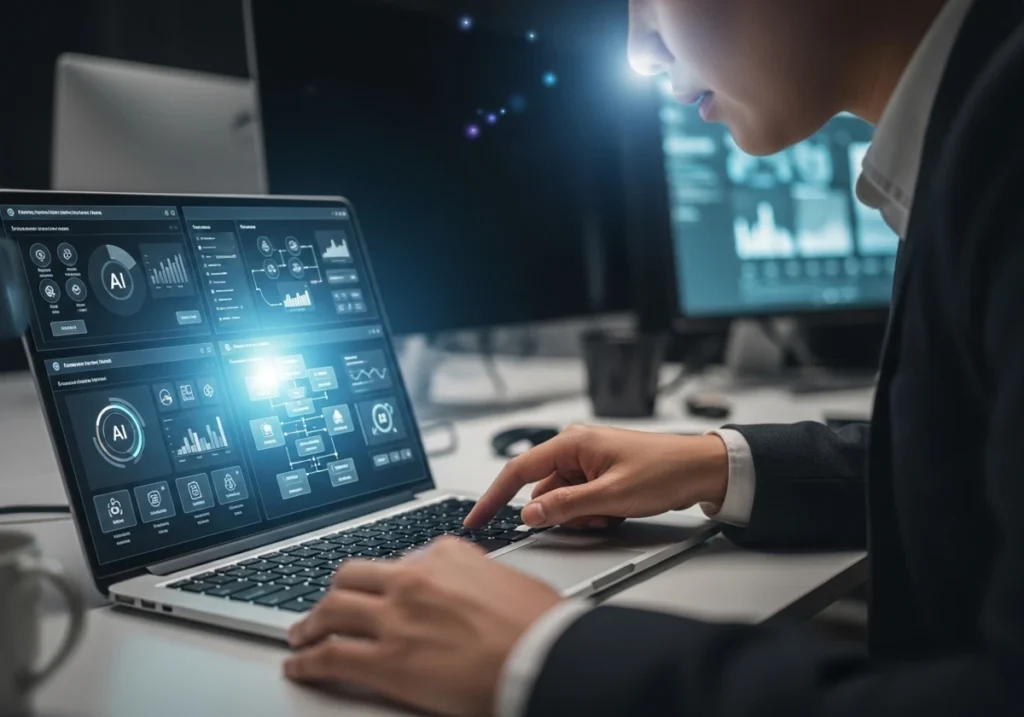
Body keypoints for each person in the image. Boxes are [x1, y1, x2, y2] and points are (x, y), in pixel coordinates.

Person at [283, 0, 1024, 714]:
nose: (640, 49)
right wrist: (715, 464)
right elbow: (972, 462)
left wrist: (546, 659)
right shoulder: (978, 120)